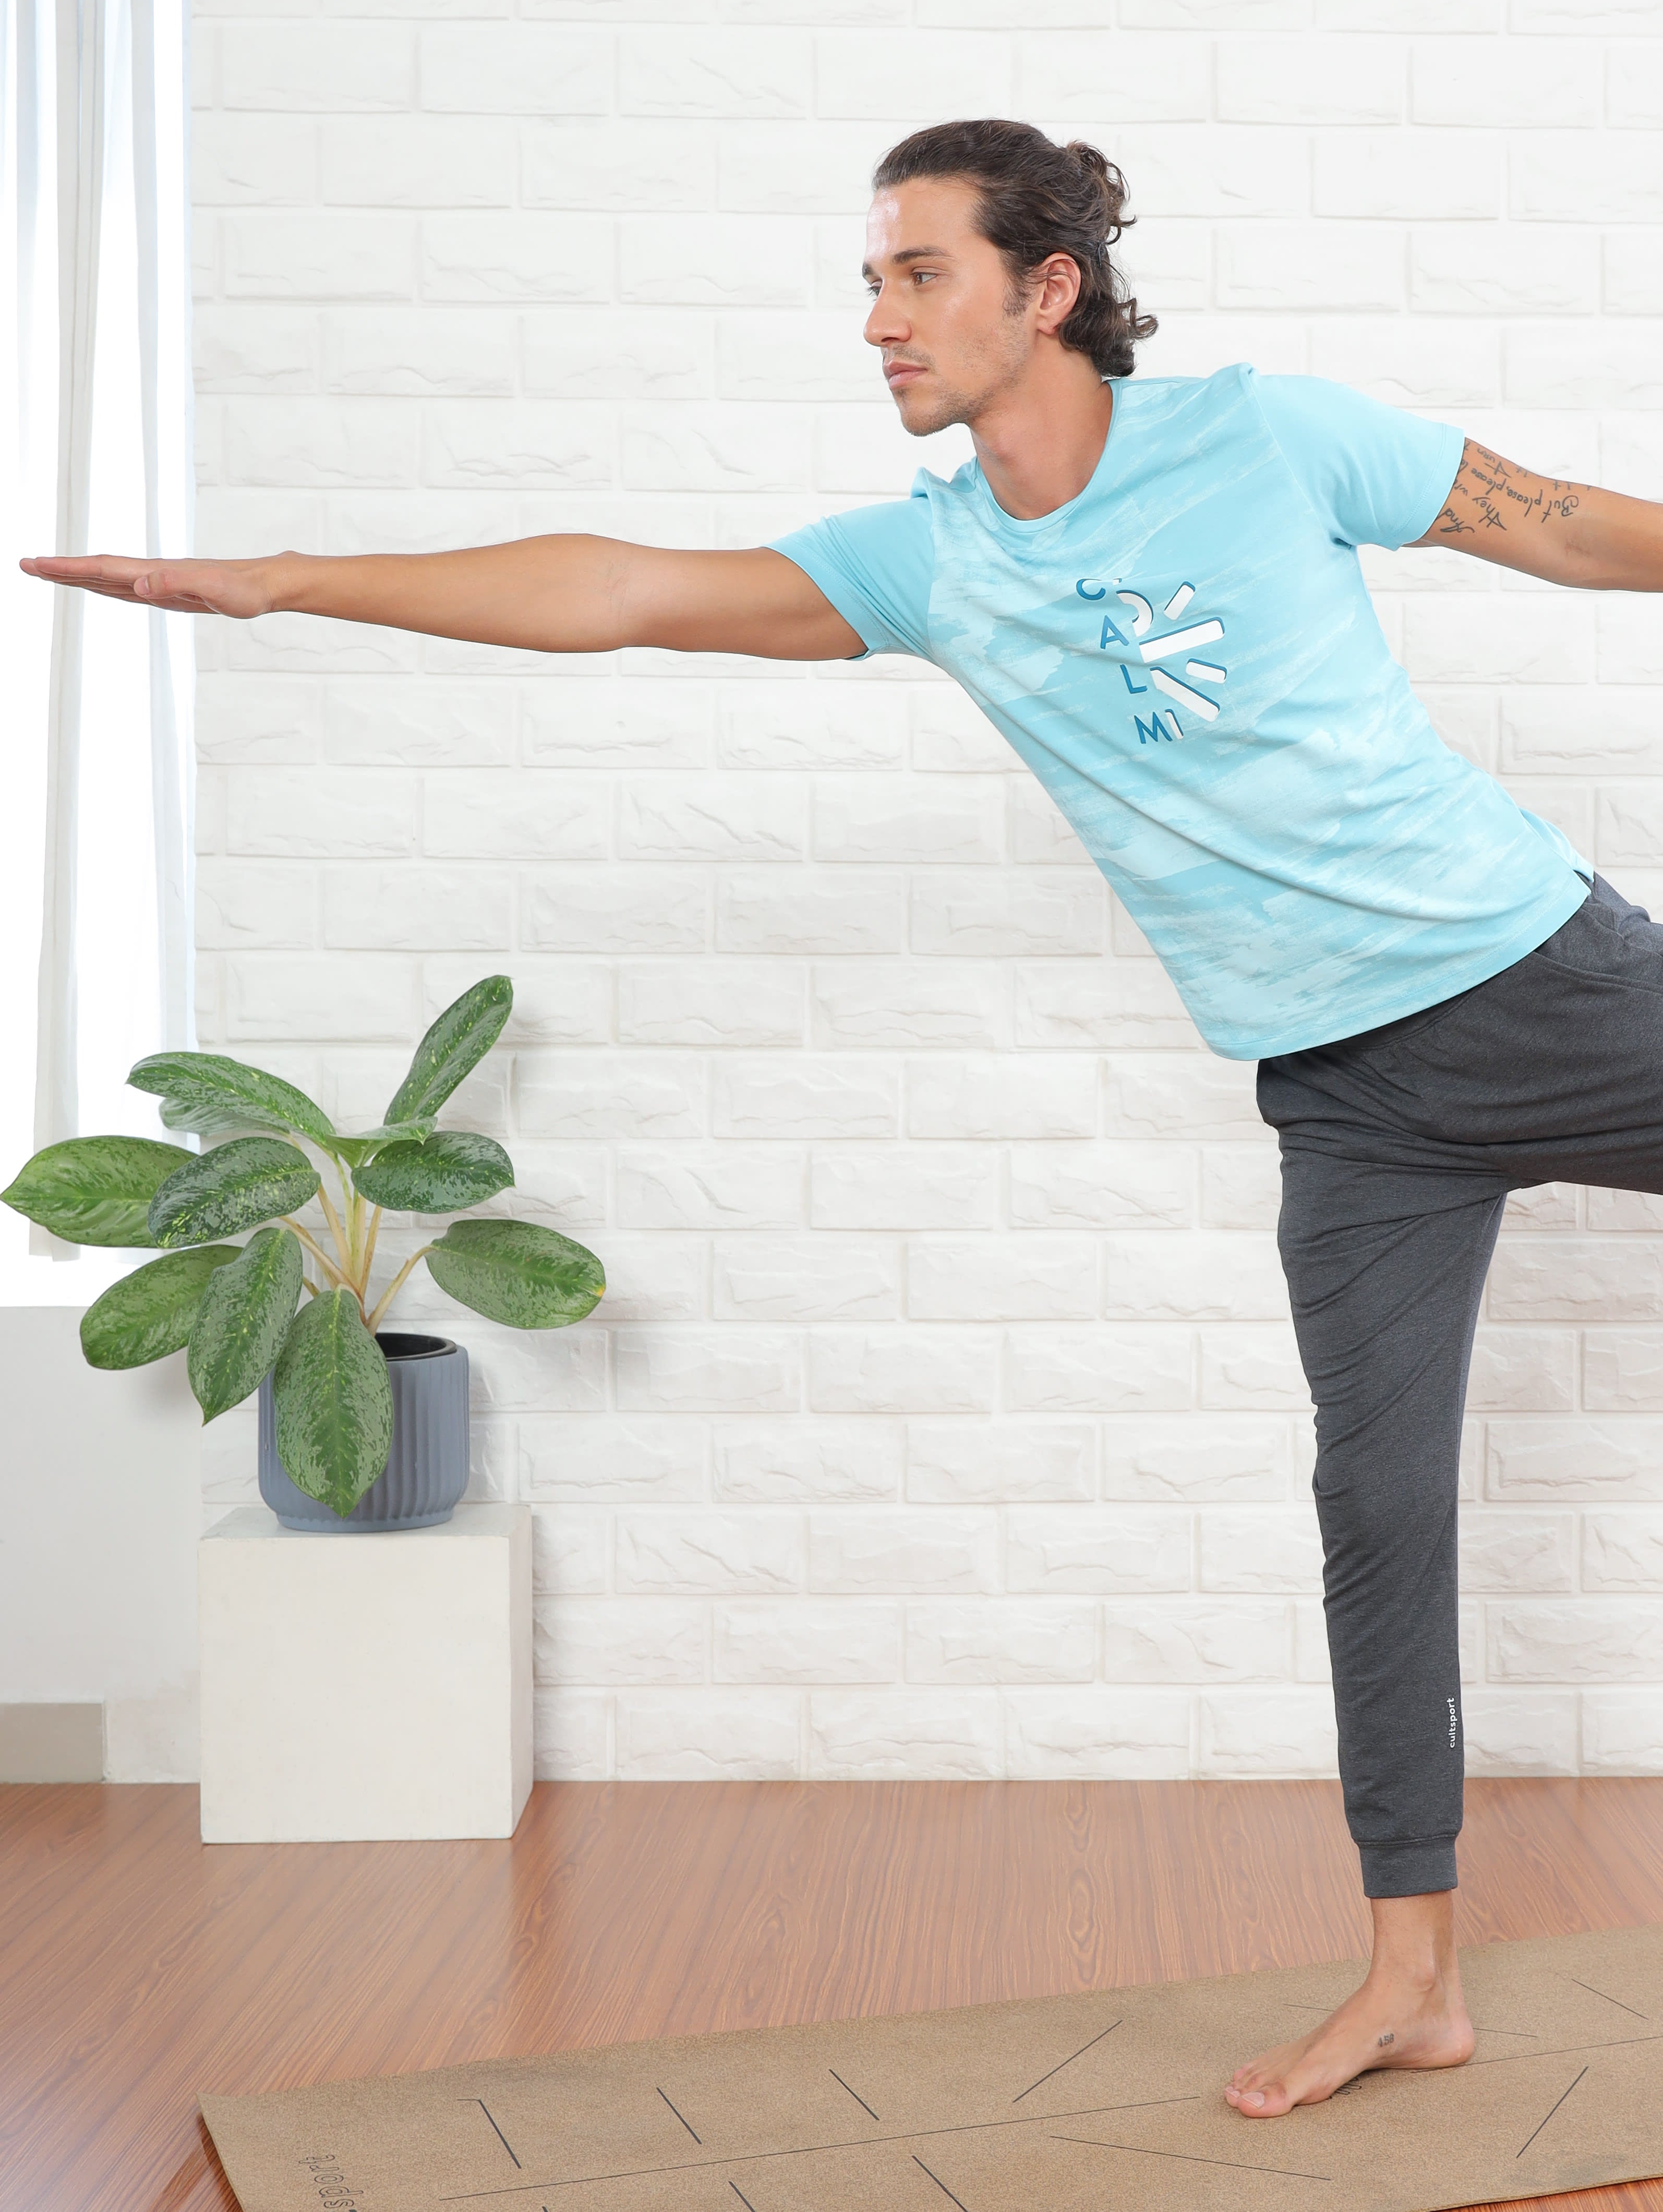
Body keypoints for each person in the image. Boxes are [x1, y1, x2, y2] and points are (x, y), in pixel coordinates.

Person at [22, 116, 1662, 2121]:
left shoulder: (1273, 435)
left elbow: (1562, 527)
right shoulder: (934, 560)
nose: (877, 318)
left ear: (1046, 288)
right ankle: (1411, 1979)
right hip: (1347, 1099)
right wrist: (285, 583)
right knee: (1376, 1509)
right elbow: (623, 589)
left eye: (916, 274)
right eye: (869, 280)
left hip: (1545, 981)